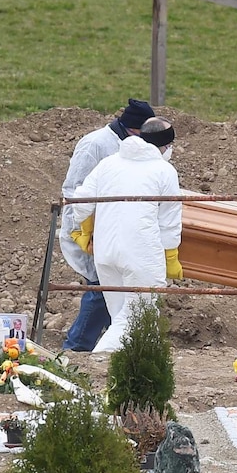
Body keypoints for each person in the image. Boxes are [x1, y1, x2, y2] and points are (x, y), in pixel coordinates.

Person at [70, 116, 183, 353]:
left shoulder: (109, 163)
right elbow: (169, 221)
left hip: (105, 253)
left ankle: (138, 365)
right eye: (170, 146)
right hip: (140, 253)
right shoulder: (164, 171)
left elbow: (80, 203)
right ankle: (99, 359)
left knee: (120, 314)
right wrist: (170, 256)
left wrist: (84, 230)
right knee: (136, 317)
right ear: (163, 146)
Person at [59, 99, 156, 351]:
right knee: (100, 290)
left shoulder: (128, 147)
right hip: (91, 230)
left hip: (117, 231)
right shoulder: (95, 145)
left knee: (110, 291)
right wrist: (82, 232)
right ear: (133, 129)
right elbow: (73, 190)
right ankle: (76, 348)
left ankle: (101, 345)